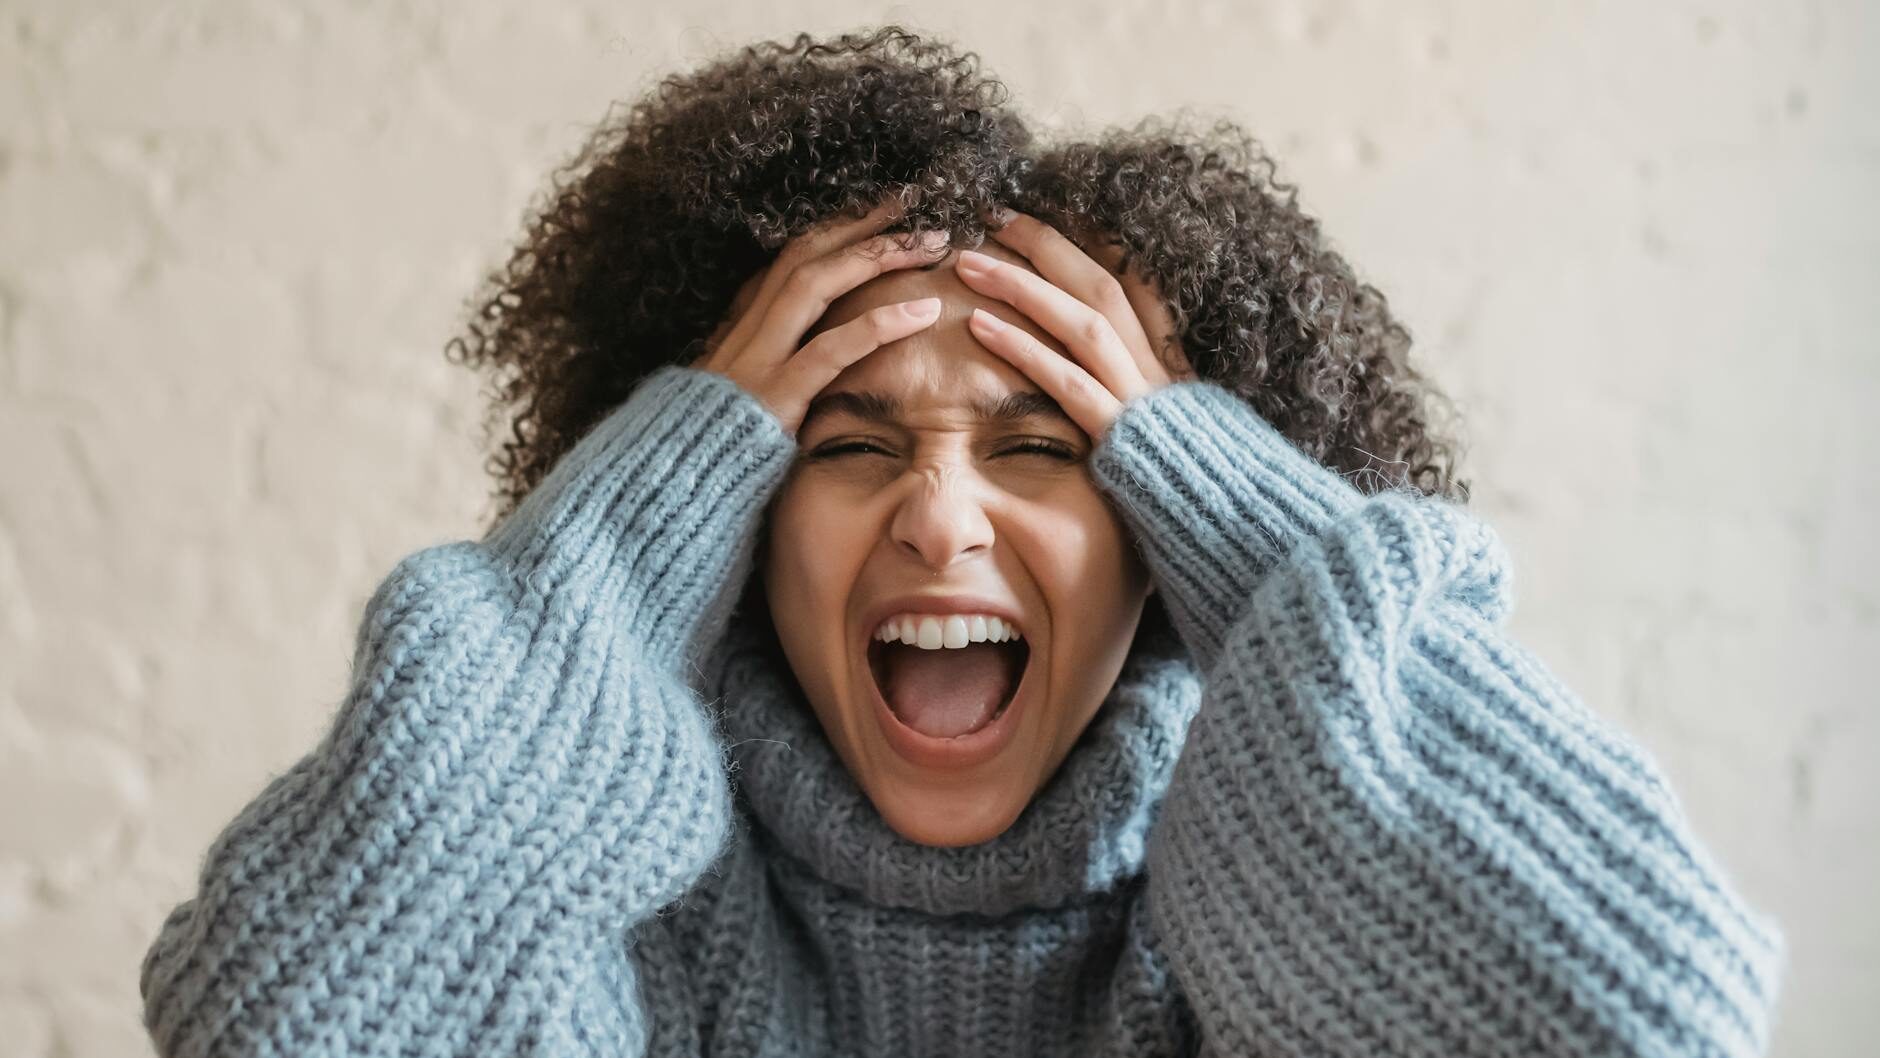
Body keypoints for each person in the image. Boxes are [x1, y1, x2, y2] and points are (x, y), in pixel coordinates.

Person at [138, 25, 1785, 1058]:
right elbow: (275, 1023)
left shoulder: (1265, 945)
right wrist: (630, 545)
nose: (938, 511)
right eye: (844, 444)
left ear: (1166, 524)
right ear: (734, 528)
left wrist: (1261, 538)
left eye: (1046, 448)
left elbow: (1647, 1019)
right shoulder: (624, 935)